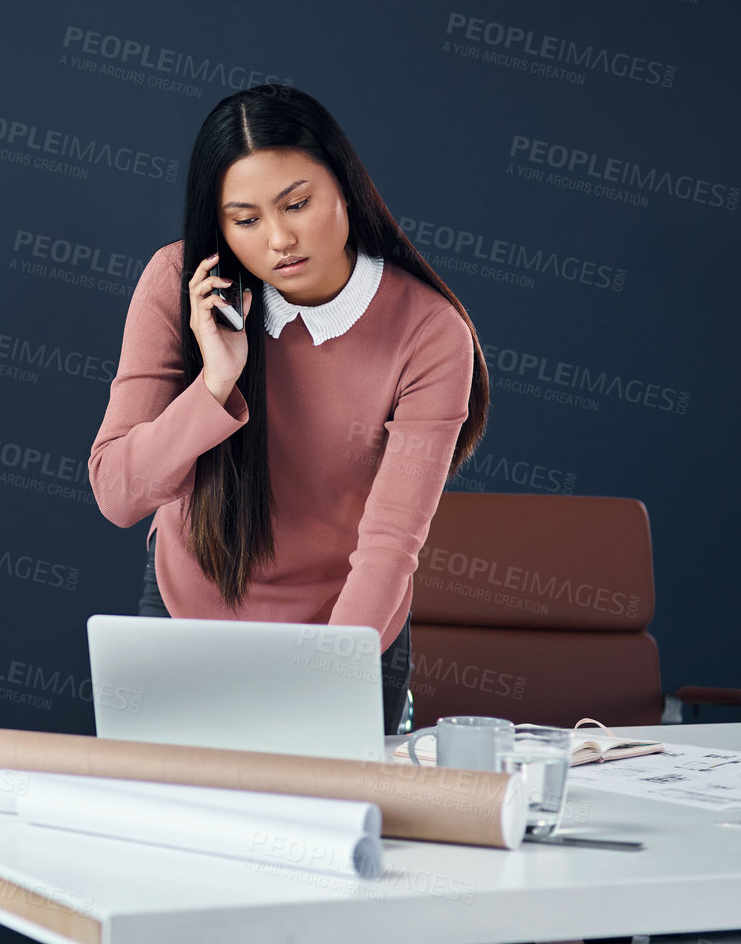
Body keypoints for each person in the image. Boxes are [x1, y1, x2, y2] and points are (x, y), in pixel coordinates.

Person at [88, 85, 490, 736]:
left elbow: (389, 545)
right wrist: (215, 382)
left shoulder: (428, 330)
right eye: (245, 220)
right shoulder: (177, 284)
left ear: (345, 187)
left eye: (296, 204)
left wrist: (321, 688)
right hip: (185, 615)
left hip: (349, 631)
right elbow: (118, 495)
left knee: (334, 830)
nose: (279, 239)